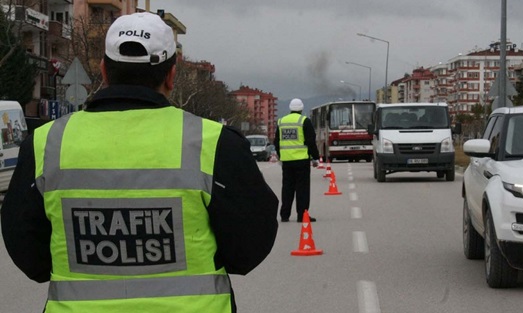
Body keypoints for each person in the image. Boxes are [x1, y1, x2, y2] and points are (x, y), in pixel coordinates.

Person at [0, 12, 278, 313]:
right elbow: (249, 247)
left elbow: (27, 250)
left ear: (104, 71)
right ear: (171, 75)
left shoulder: (46, 144)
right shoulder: (215, 143)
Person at [274, 98, 320, 223]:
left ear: (290, 108)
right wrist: (316, 157)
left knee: (287, 188)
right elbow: (311, 141)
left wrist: (280, 155)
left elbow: (276, 142)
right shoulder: (304, 121)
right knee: (302, 189)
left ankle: (284, 215)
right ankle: (302, 215)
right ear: (301, 108)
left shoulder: (281, 121)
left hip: (287, 161)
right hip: (301, 161)